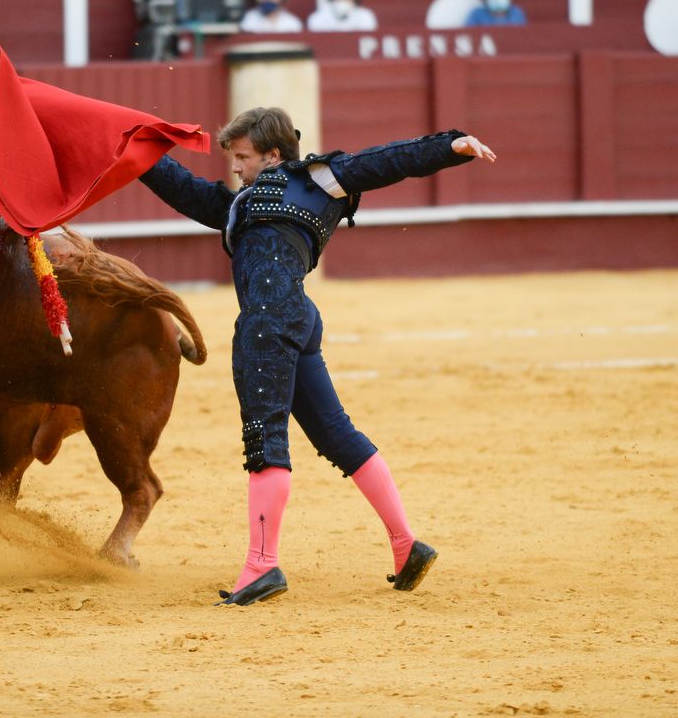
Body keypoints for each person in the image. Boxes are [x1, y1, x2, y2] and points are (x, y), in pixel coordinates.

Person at [137, 107, 495, 605]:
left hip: (268, 322)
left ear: (273, 154)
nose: (235, 167)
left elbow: (385, 161)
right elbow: (182, 188)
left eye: (242, 157)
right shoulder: (239, 204)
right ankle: (406, 544)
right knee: (337, 434)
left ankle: (262, 565)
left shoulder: (320, 179)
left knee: (266, 436)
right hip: (297, 318)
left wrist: (449, 146)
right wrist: (130, 147)